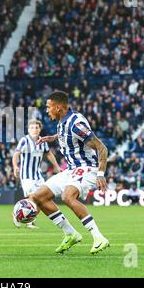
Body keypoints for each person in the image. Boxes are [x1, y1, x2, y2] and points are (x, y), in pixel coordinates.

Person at [33, 90, 110, 255]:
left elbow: (101, 147)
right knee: (38, 197)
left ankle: (99, 237)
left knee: (67, 197)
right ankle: (70, 234)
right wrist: (53, 137)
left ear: (59, 107)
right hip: (71, 169)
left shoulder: (75, 123)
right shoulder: (62, 120)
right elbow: (68, 135)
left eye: (49, 107)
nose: (47, 110)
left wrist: (100, 174)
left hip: (87, 168)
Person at [12, 118, 59, 229]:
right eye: (32, 127)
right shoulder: (24, 140)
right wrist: (15, 166)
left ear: (40, 129)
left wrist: (56, 166)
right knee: (33, 197)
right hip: (27, 176)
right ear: (28, 129)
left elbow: (48, 154)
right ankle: (24, 219)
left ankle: (26, 218)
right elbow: (16, 154)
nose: (34, 129)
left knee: (42, 198)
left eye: (37, 127)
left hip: (38, 175)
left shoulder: (42, 141)